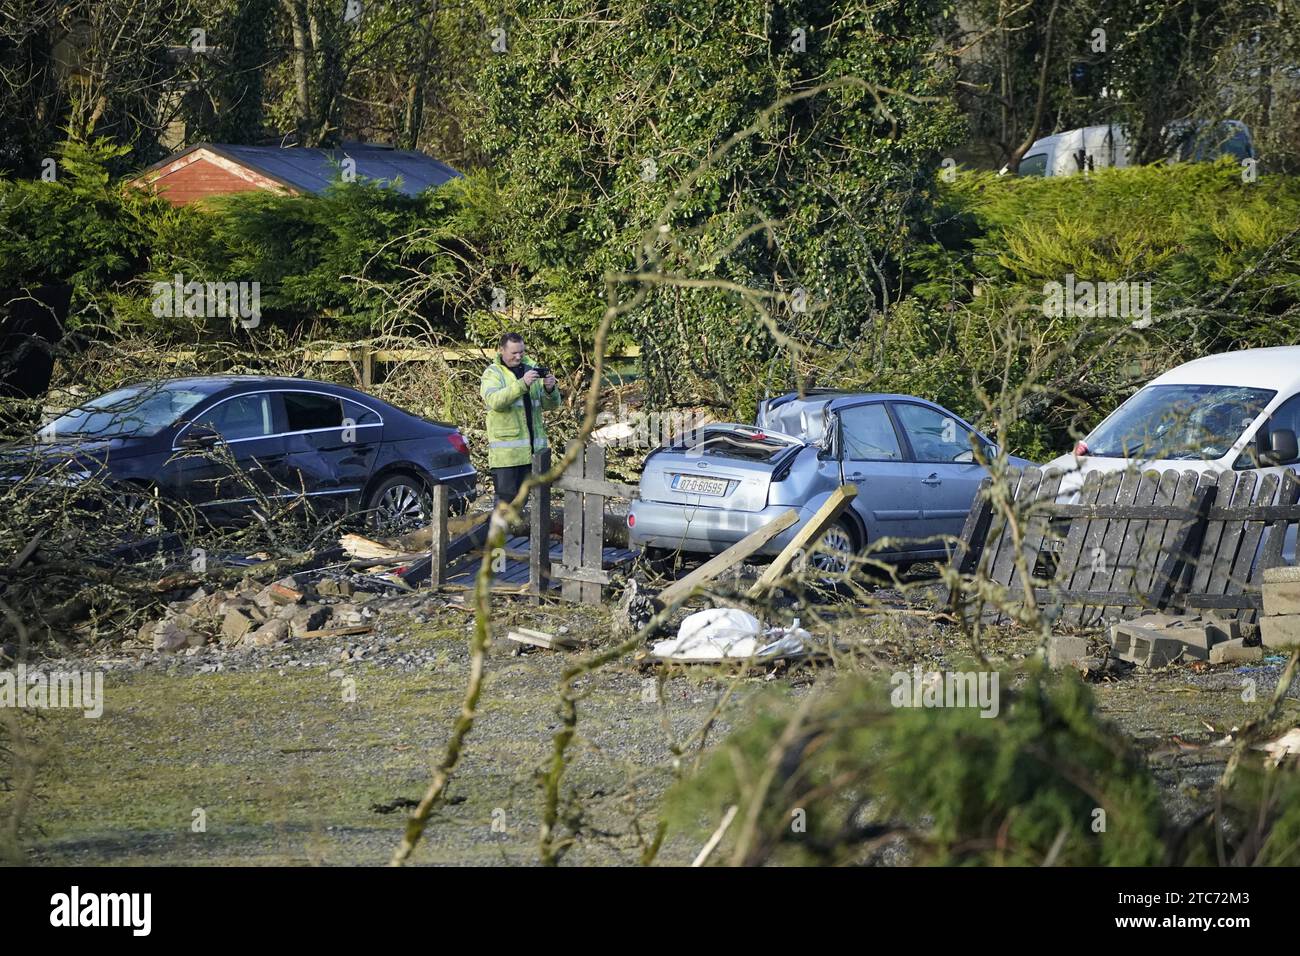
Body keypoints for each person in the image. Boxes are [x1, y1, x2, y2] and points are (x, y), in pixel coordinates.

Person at [480, 331, 560, 510]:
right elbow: (495, 401)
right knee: (505, 506)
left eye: (522, 352)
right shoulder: (492, 374)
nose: (519, 356)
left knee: (533, 505)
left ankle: (526, 537)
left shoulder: (531, 369)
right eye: (514, 353)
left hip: (533, 452)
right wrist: (522, 384)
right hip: (506, 457)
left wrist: (550, 389)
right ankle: (500, 538)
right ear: (501, 350)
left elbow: (552, 405)